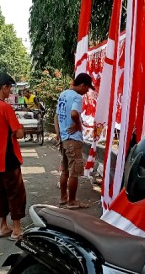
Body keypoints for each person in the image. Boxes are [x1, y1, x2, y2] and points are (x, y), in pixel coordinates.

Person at [0, 73, 26, 241]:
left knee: (2, 192)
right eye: (9, 88)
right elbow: (18, 133)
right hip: (8, 155)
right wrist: (21, 129)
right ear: (4, 87)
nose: (10, 92)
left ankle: (2, 226)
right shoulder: (5, 107)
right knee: (16, 192)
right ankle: (17, 229)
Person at [54, 73, 94, 209]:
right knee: (74, 172)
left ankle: (63, 198)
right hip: (73, 139)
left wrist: (58, 133)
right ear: (82, 85)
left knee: (65, 170)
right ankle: (72, 201)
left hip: (64, 139)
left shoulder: (63, 94)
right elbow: (74, 114)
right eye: (87, 88)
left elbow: (56, 115)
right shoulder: (77, 97)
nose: (87, 92)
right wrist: (77, 124)